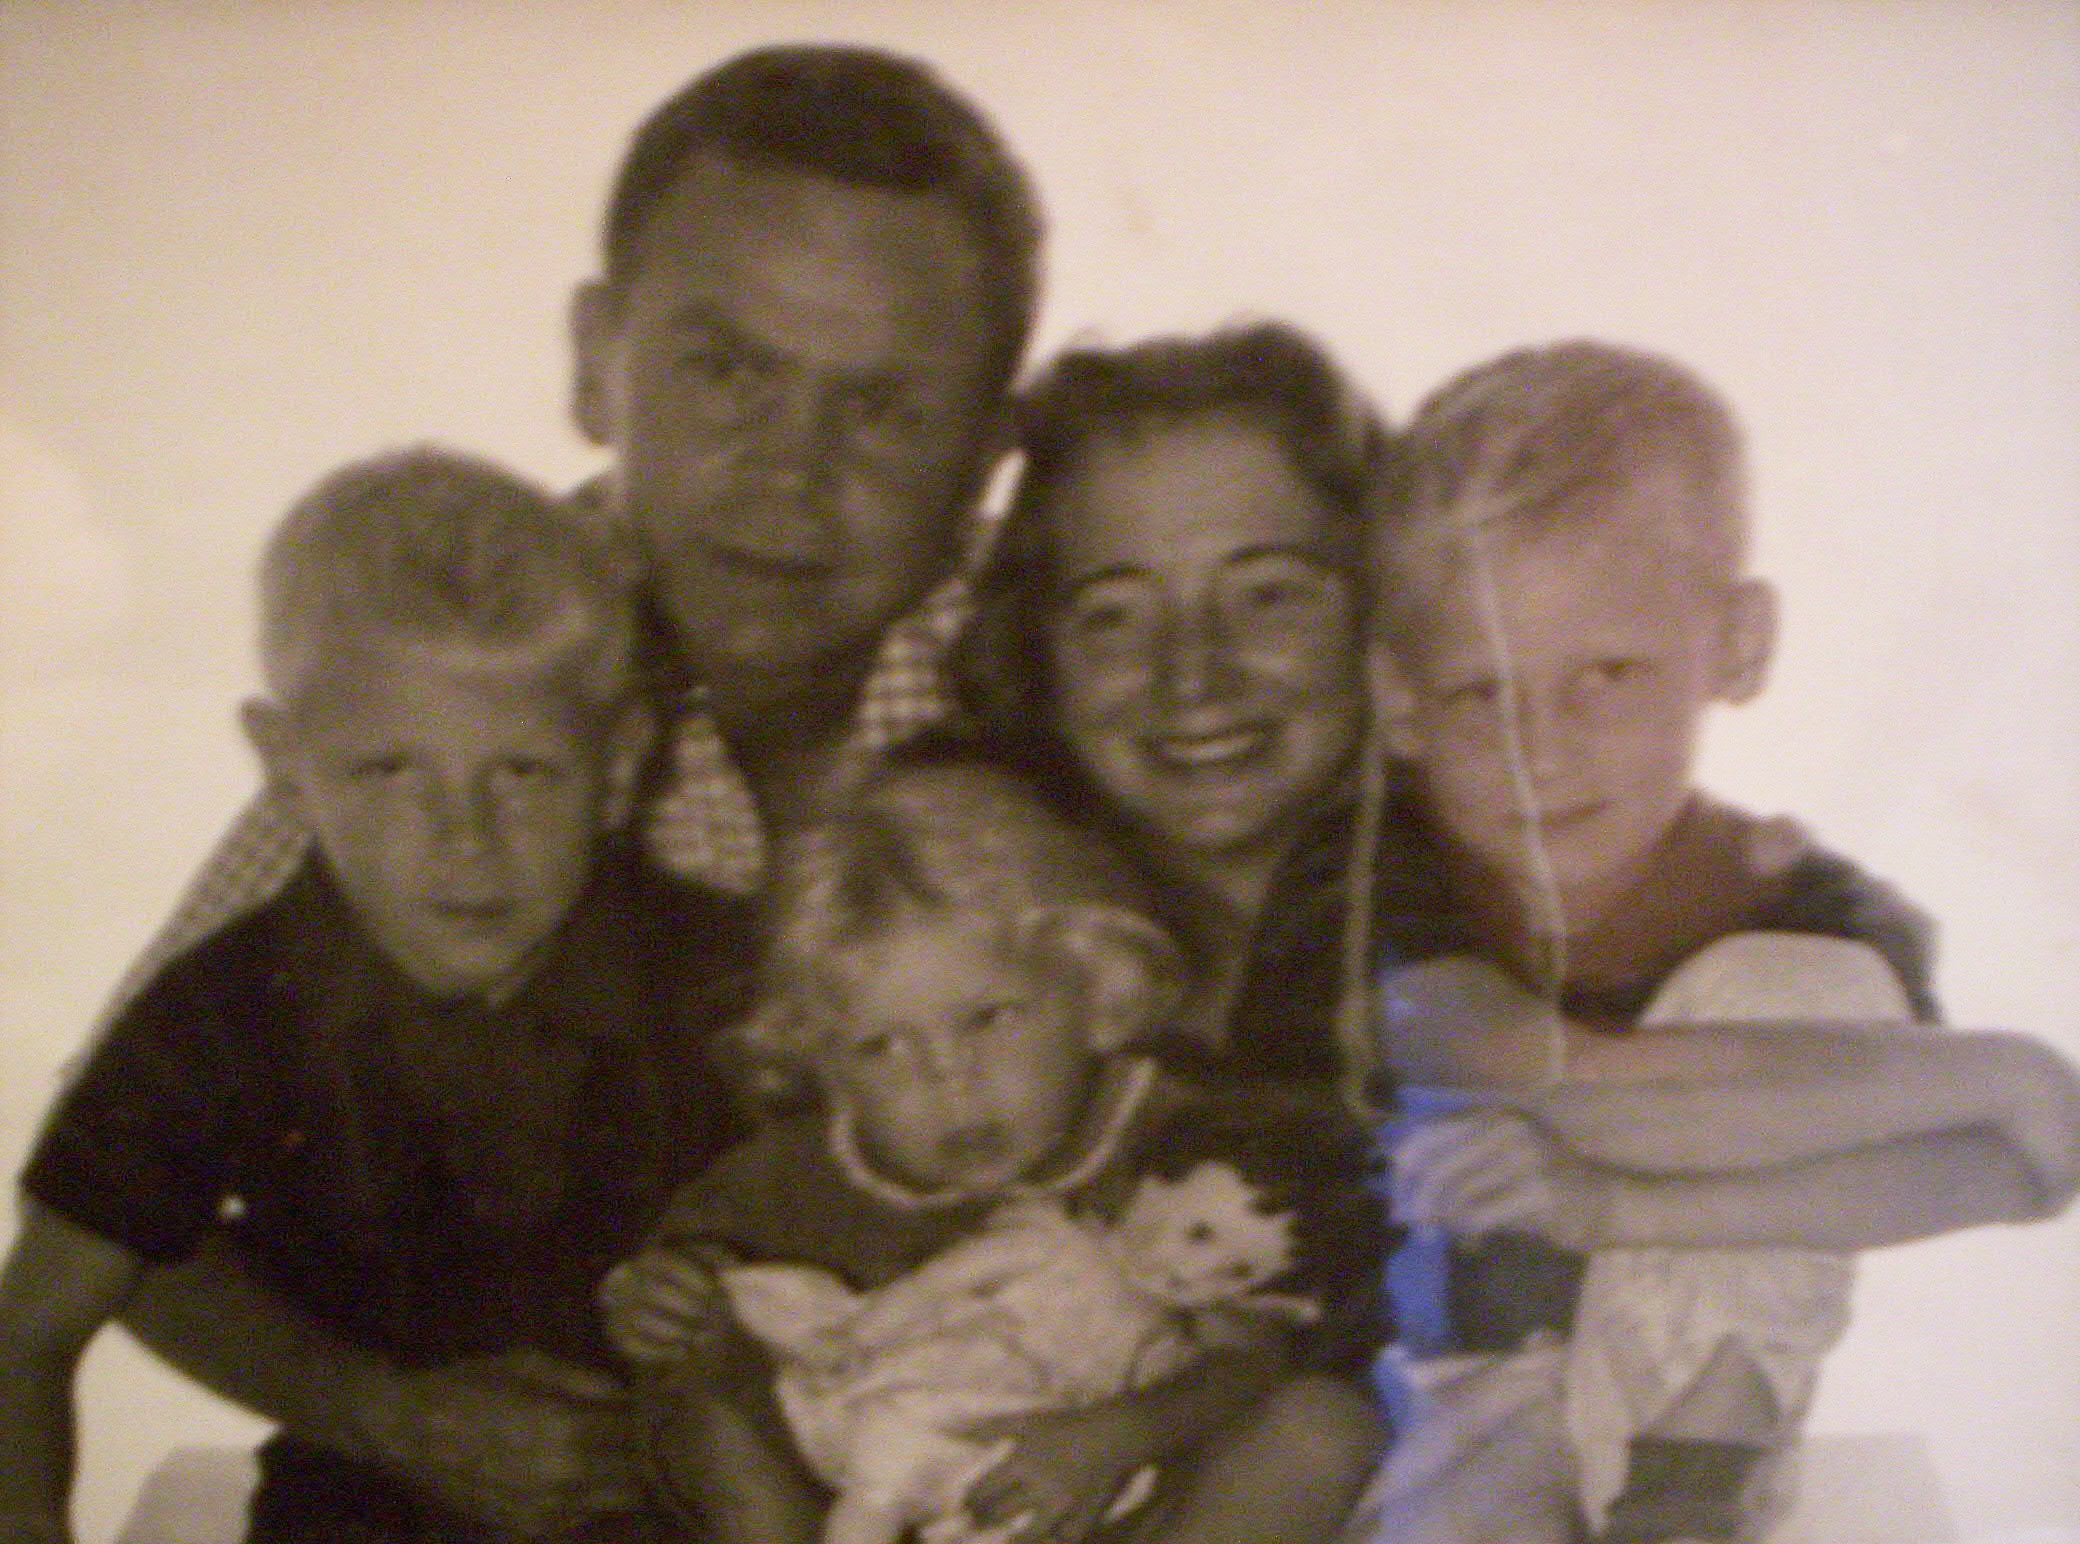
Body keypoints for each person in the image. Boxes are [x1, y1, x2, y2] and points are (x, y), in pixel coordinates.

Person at [99, 42, 1044, 1538]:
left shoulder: (1093, 677)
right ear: (595, 363)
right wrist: (385, 1414)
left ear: (990, 448)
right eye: (726, 370)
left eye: (880, 408)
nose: (789, 476)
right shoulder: (459, 670)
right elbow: (112, 1203)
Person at [1339, 340, 2080, 1544]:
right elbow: (1571, 1088)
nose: (1542, 750)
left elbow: (2002, 1173)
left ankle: (1681, 1497)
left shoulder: (1815, 909)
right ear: (1398, 700)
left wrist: (1607, 1209)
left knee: (1799, 984)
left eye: (1609, 673)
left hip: (1682, 1408)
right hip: (1441, 1388)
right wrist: (2007, 1075)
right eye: (1482, 692)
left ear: (1736, 641)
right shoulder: (1390, 882)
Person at [0, 447, 762, 1544]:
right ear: (285, 765)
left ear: (620, 764)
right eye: (390, 772)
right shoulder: (224, 1010)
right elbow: (27, 1332)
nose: (465, 840)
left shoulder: (726, 978)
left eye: (522, 771)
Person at [600, 745, 1387, 1544]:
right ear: (822, 1064)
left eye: (988, 1019)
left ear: (1098, 994)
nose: (949, 1080)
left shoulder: (1186, 1143)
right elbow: (686, 1329)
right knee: (707, 1399)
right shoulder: (774, 1187)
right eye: (881, 1048)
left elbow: (1254, 1357)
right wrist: (658, 1300)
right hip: (878, 1511)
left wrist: (1111, 1438)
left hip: (1140, 1510)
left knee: (1322, 1428)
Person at [949, 320, 1384, 1065]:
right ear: (1036, 652)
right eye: (1114, 614)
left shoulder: (1523, 918)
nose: (1192, 675)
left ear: (1379, 610)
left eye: (1267, 595)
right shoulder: (966, 968)